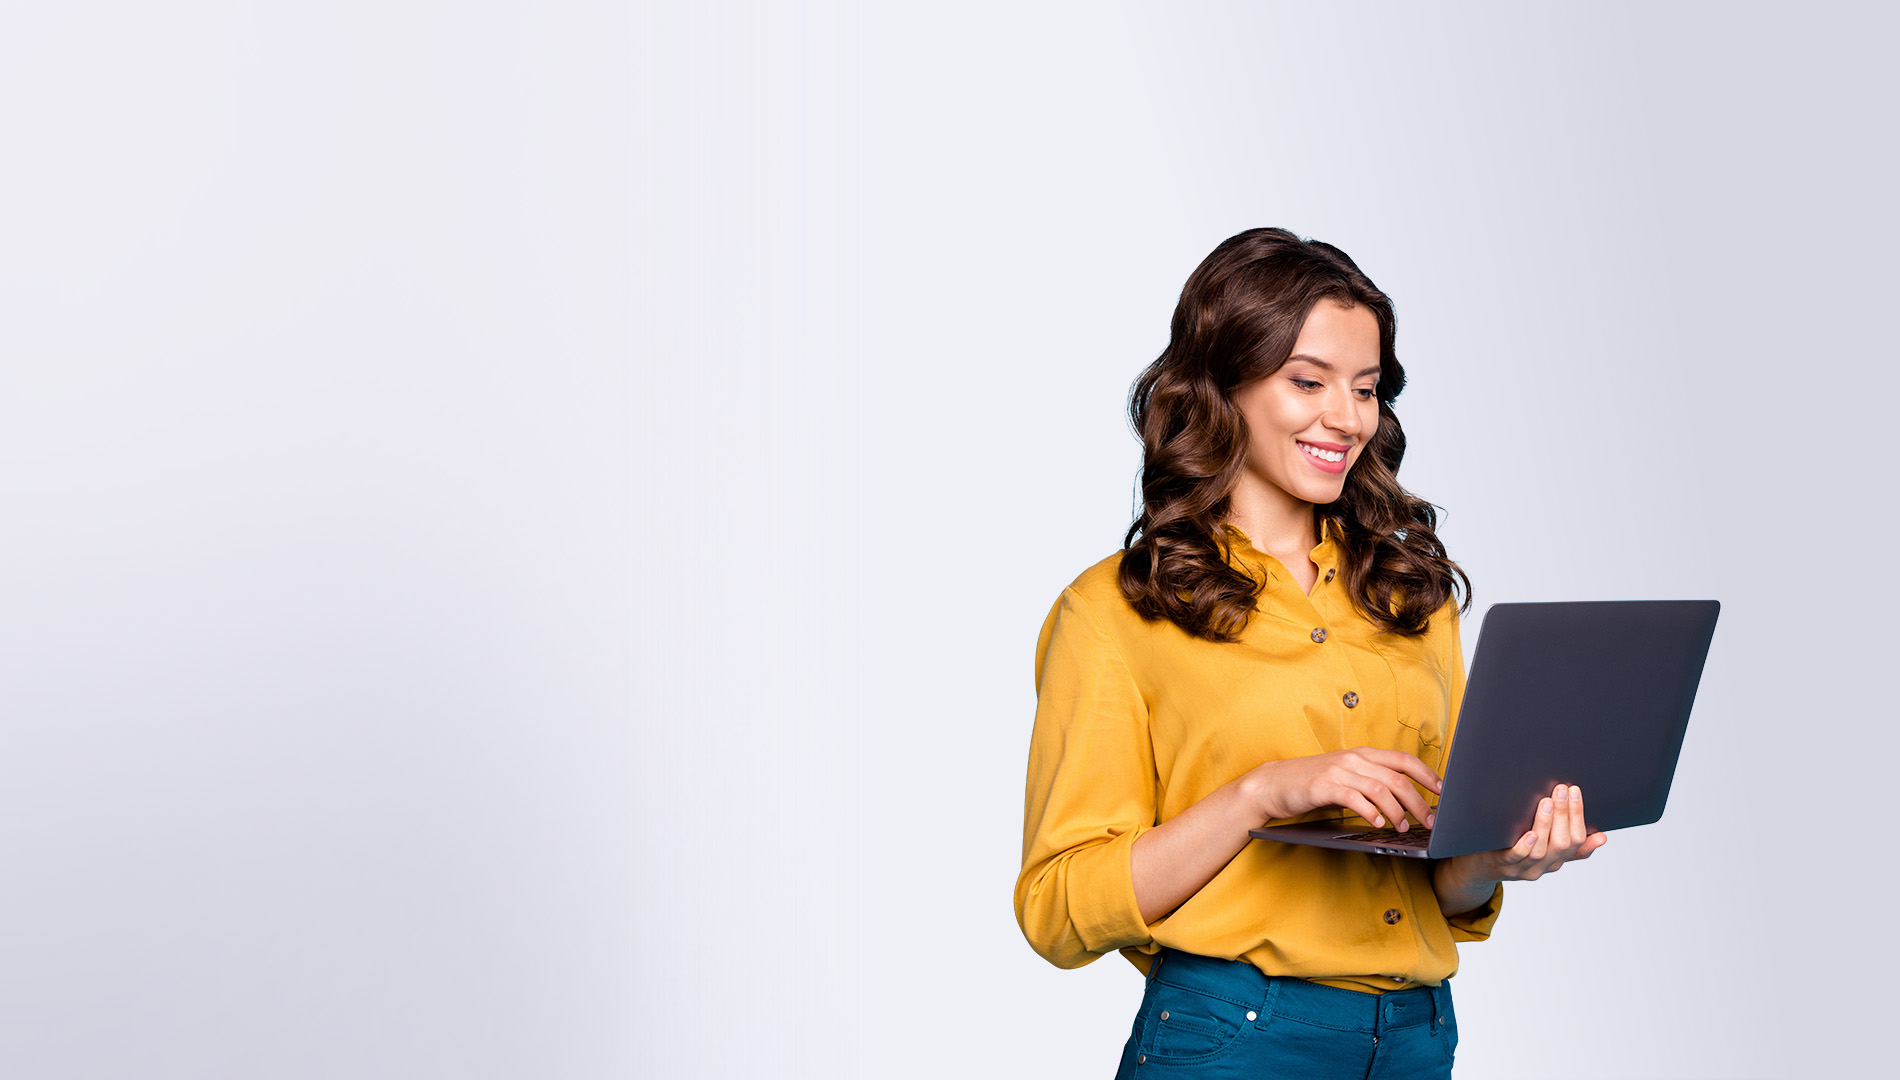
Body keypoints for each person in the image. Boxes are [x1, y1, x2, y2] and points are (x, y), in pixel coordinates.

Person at [1014, 228, 1607, 1078]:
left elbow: (1436, 878)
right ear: (1224, 383)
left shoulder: (1410, 594)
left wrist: (1496, 858)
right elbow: (1058, 907)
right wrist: (1261, 795)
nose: (1346, 417)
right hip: (1235, 1036)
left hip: (1415, 1038)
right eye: (1308, 381)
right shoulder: (1113, 611)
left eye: (1365, 389)